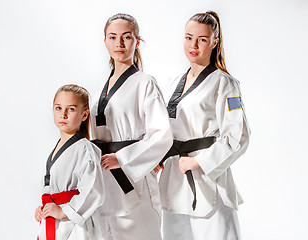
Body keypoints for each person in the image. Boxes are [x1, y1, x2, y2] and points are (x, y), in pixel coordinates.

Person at [158, 11, 250, 240]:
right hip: (174, 177)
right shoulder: (172, 82)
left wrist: (199, 161)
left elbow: (238, 136)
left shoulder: (225, 83)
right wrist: (158, 156)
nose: (193, 45)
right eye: (188, 38)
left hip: (207, 178)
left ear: (214, 42)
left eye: (201, 39)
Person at [90, 13, 172, 240]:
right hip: (105, 183)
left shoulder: (145, 82)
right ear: (105, 41)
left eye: (126, 37)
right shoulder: (99, 88)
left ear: (137, 42)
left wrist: (123, 158)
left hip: (132, 180)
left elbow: (162, 135)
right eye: (112, 37)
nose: (119, 43)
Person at [35, 84, 105, 240]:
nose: (63, 114)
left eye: (71, 109)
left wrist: (64, 211)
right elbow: (52, 187)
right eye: (58, 108)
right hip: (56, 219)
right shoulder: (57, 148)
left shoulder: (86, 149)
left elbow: (94, 190)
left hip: (75, 225)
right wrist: (42, 209)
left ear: (84, 114)